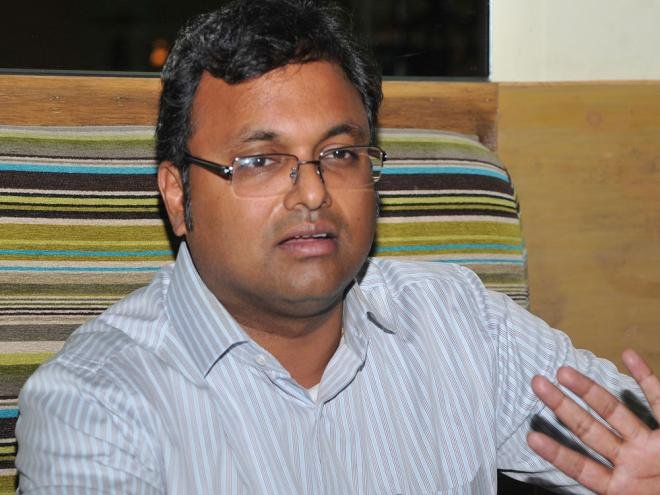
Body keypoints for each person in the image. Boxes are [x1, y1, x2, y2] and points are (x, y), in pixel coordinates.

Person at [16, 0, 660, 493]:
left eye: (340, 153)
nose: (313, 193)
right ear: (179, 196)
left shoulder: (461, 323)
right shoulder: (94, 404)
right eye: (260, 160)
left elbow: (634, 450)